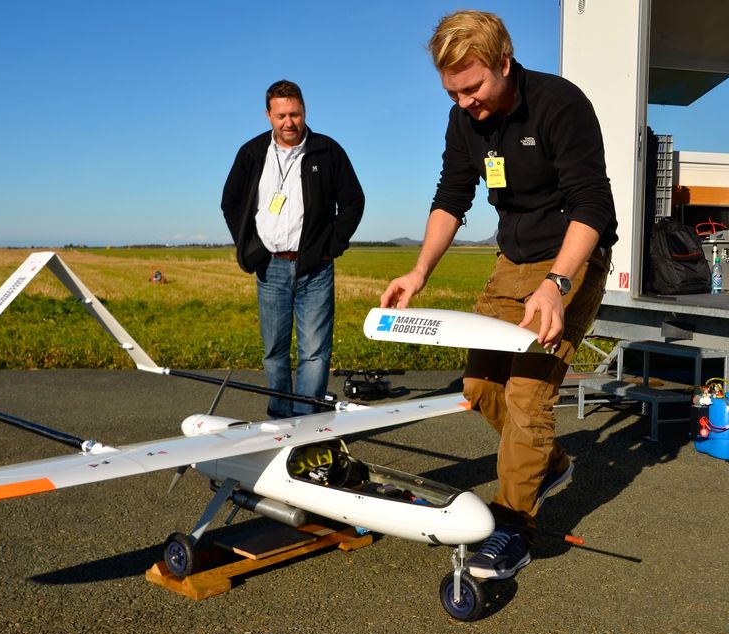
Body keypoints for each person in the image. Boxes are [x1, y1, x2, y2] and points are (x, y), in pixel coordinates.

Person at [380, 10, 617, 580]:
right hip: (511, 260)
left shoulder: (561, 104)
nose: (465, 102)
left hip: (569, 259)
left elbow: (594, 206)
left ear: (504, 64)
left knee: (527, 397)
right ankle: (549, 463)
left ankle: (513, 527)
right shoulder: (465, 122)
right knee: (482, 386)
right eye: (453, 91)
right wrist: (419, 273)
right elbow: (452, 197)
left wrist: (557, 285)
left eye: (473, 87)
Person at [223, 80, 365, 418]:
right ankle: (280, 420)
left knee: (314, 351)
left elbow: (353, 201)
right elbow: (231, 202)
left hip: (315, 268)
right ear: (268, 115)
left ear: (305, 111)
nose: (290, 122)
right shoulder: (251, 153)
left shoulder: (327, 151)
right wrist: (250, 248)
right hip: (269, 267)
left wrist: (330, 247)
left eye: (296, 114)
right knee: (274, 351)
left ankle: (306, 425)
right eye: (282, 115)